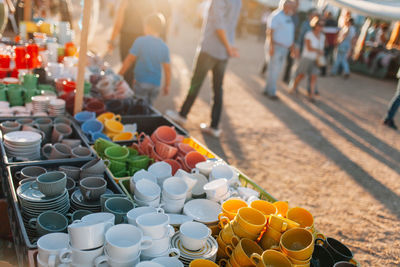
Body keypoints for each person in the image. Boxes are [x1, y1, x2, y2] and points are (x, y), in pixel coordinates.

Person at [166, 0, 242, 138]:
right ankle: (214, 126)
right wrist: (229, 46)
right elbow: (231, 24)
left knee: (196, 82)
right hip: (224, 51)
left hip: (211, 48)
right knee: (218, 88)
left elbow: (219, 26)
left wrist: (228, 46)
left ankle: (183, 114)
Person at [118, 13, 171, 105]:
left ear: (147, 27)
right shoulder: (164, 46)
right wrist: (167, 85)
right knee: (149, 107)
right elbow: (167, 69)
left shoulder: (140, 41)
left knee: (138, 106)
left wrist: (120, 74)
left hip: (141, 82)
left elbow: (130, 59)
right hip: (155, 84)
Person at [108, 0, 156, 86]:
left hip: (127, 38)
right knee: (136, 69)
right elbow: (152, 23)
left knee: (127, 68)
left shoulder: (126, 2)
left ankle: (127, 91)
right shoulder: (149, 3)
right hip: (142, 38)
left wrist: (112, 40)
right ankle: (131, 90)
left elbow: (118, 23)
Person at [263, 0, 296, 99]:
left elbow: (289, 33)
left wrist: (291, 47)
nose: (290, 8)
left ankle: (267, 90)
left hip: (284, 48)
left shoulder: (289, 17)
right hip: (276, 46)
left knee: (276, 70)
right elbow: (270, 31)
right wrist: (272, 46)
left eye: (291, 6)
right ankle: (271, 92)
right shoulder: (276, 16)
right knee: (274, 70)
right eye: (288, 6)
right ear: (283, 5)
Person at [290, 17, 325, 102]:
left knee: (314, 77)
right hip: (307, 58)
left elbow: (322, 47)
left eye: (322, 25)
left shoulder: (322, 36)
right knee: (301, 75)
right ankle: (293, 87)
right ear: (315, 25)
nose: (320, 27)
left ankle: (311, 95)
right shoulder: (309, 34)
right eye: (319, 24)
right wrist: (318, 51)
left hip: (316, 60)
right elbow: (308, 48)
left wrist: (321, 52)